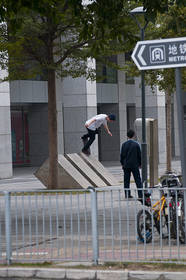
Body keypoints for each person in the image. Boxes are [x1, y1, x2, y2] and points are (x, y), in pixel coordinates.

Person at [120, 129, 143, 199]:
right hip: (135, 165)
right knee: (138, 180)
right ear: (134, 135)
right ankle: (140, 194)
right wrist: (140, 164)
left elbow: (122, 155)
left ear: (127, 136)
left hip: (126, 165)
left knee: (126, 180)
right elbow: (139, 155)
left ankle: (127, 194)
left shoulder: (124, 145)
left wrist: (122, 163)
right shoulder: (136, 144)